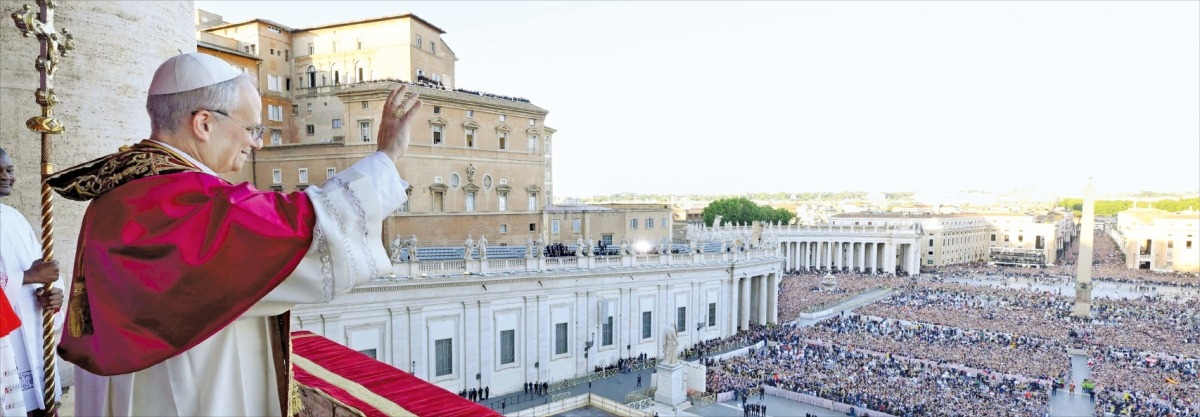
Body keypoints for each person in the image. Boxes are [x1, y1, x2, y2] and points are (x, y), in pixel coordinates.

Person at [52, 53, 422, 416]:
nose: (257, 143)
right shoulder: (185, 202)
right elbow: (306, 227)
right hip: (188, 392)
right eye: (251, 129)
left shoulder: (120, 192)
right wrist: (386, 158)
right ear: (204, 123)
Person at [0, 147, 65, 417]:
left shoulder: (14, 218)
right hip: (5, 338)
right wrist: (27, 277)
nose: (6, 176)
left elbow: (43, 265)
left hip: (31, 327)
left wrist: (53, 292)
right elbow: (33, 272)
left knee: (39, 402)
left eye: (9, 170)